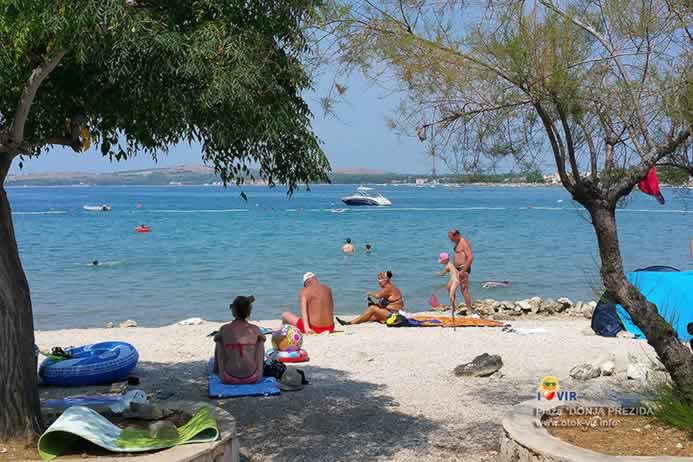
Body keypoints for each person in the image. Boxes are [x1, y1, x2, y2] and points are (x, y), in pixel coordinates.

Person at [213, 295, 265, 384]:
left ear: (233, 310)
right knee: (260, 341)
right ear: (249, 312)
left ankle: (218, 370)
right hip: (253, 377)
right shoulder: (254, 329)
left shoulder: (224, 328)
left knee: (219, 341)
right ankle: (260, 371)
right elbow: (263, 338)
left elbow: (215, 338)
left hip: (227, 378)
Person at [336, 271, 403, 325]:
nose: (378, 282)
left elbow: (377, 296)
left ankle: (349, 323)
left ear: (385, 280)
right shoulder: (390, 287)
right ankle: (350, 322)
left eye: (379, 280)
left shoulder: (389, 288)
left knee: (372, 308)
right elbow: (385, 303)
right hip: (390, 313)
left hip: (394, 316)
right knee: (370, 316)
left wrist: (370, 293)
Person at [448, 228, 478, 316]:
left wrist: (463, 271)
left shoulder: (463, 242)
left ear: (456, 235)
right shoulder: (457, 242)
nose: (450, 240)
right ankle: (454, 307)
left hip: (463, 269)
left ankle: (469, 310)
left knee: (464, 289)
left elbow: (470, 257)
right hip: (457, 269)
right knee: (449, 287)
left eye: (451, 238)